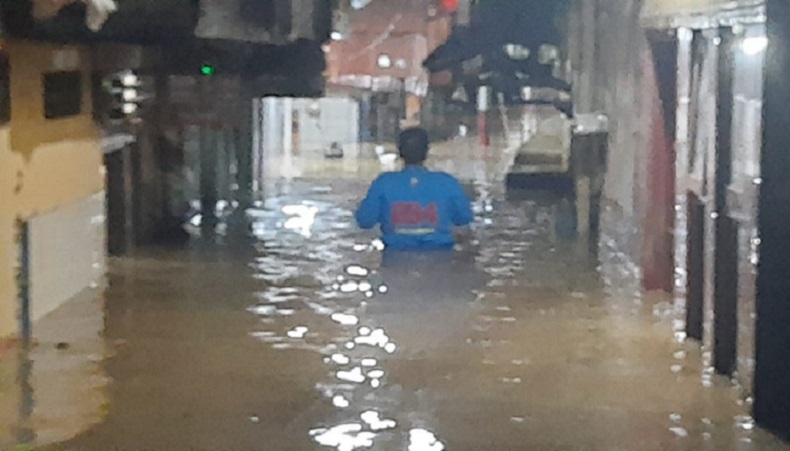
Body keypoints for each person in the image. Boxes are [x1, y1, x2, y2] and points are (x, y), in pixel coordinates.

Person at [355, 127, 474, 250]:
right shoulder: (448, 182)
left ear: (399, 152)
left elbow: (364, 221)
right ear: (427, 152)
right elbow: (463, 218)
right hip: (440, 256)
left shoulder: (383, 183)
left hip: (395, 257)